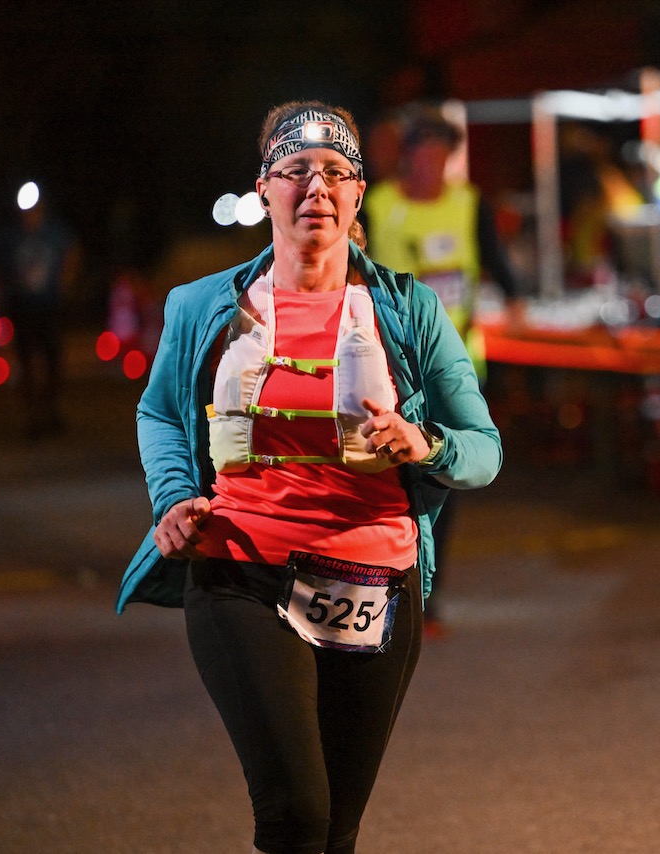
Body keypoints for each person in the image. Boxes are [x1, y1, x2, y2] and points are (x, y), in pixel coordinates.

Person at [116, 101, 502, 854]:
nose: (315, 188)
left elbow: (483, 448)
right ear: (264, 189)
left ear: (360, 195)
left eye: (335, 173)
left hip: (374, 584)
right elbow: (160, 412)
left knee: (336, 831)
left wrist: (422, 444)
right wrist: (173, 499)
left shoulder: (408, 311)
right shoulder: (202, 307)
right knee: (294, 817)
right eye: (295, 172)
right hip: (242, 574)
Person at [361, 105, 522, 635]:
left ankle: (426, 596)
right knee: (385, 473)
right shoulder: (377, 206)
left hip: (457, 362)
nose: (431, 166)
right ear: (405, 158)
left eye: (441, 156)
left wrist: (517, 302)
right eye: (421, 156)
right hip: (388, 364)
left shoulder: (470, 203)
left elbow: (499, 266)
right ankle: (376, 586)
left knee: (443, 476)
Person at [0, 195, 78, 439]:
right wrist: (2, 289)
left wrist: (65, 280)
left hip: (48, 306)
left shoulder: (53, 232)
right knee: (26, 362)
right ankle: (32, 415)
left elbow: (72, 251)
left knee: (53, 359)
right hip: (21, 307)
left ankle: (51, 409)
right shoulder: (11, 236)